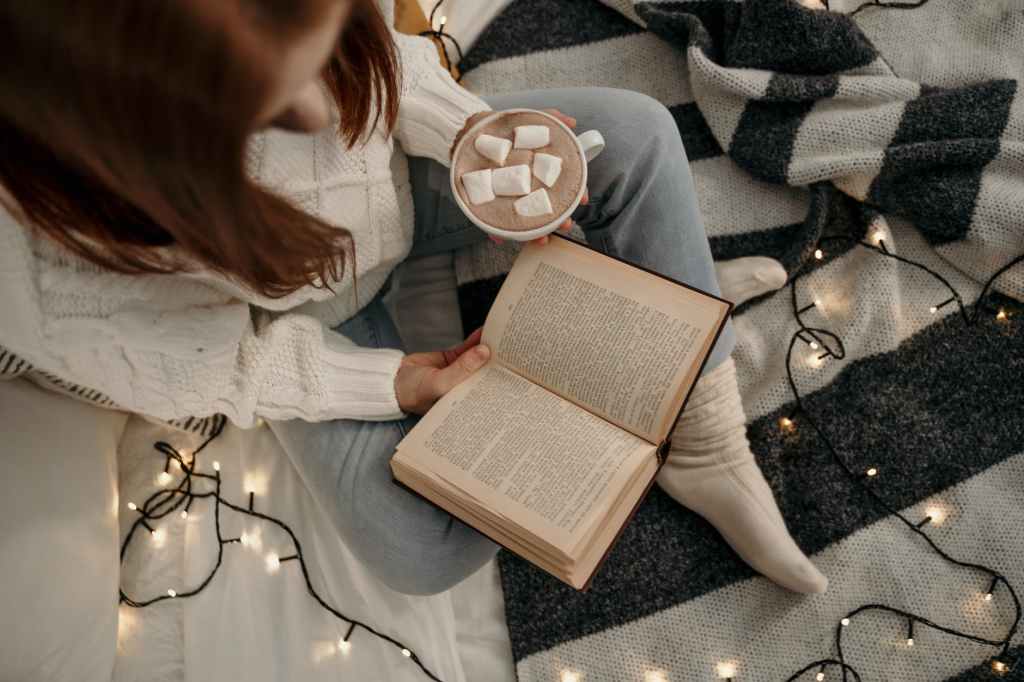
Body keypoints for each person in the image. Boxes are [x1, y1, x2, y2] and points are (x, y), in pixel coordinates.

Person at [0, 0, 825, 595]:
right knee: (416, 552)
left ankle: (702, 431)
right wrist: (396, 385)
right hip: (298, 316)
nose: (324, 112)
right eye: (277, 111)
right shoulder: (50, 263)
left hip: (412, 190)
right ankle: (672, 314)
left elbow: (395, 69)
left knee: (636, 135)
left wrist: (480, 148)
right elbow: (218, 363)